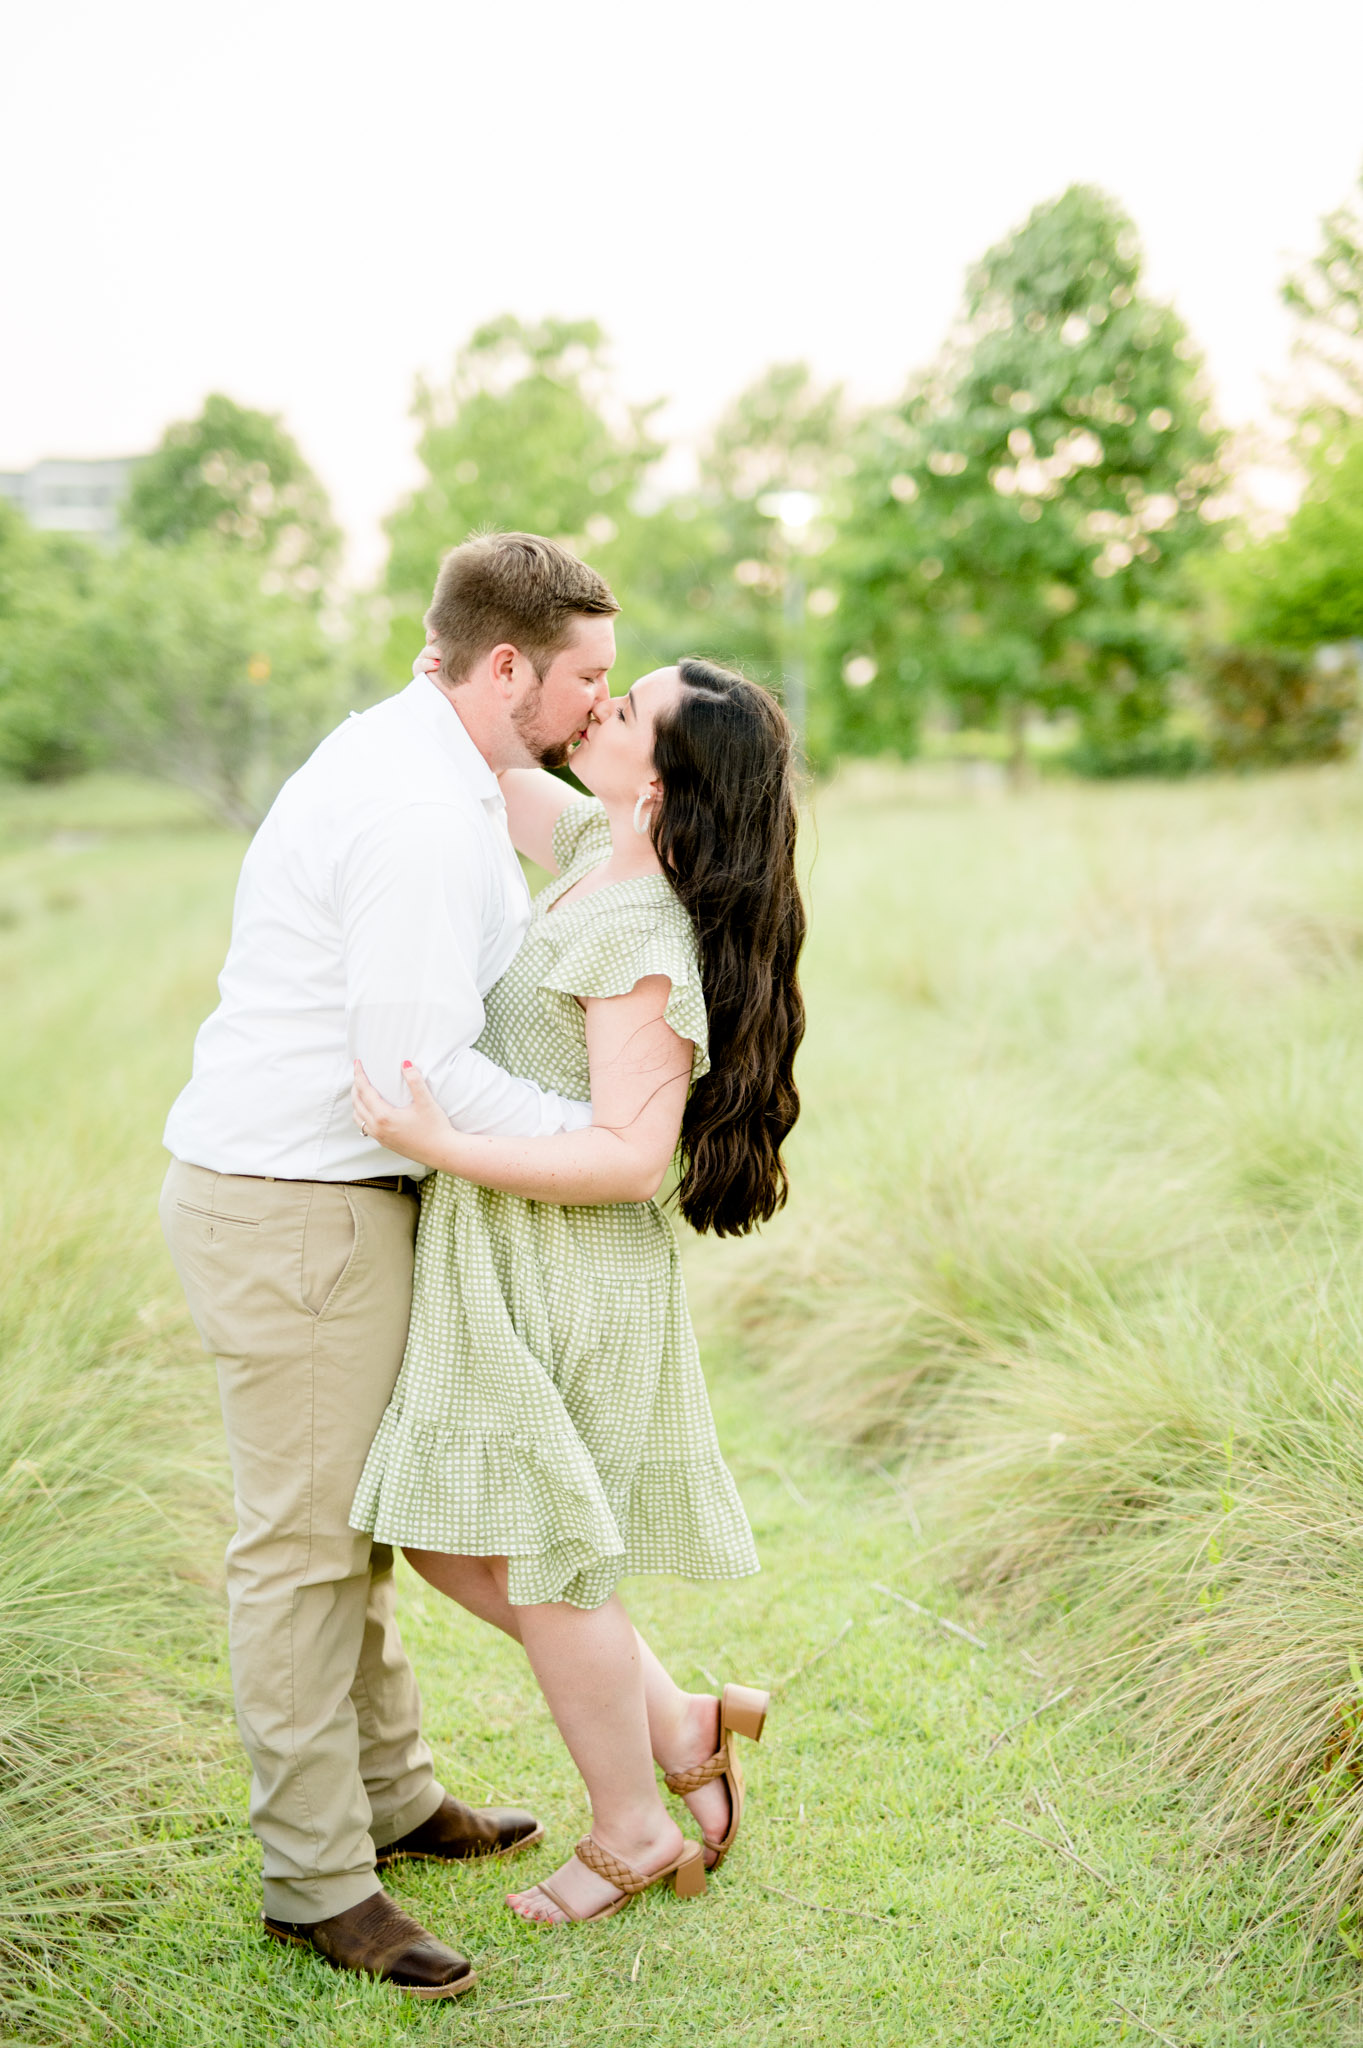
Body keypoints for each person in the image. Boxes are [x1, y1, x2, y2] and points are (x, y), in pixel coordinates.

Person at [158, 533, 622, 1999]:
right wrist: (604, 1135)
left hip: (324, 1200)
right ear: (505, 669)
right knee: (300, 1550)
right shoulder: (420, 815)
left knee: (351, 1529)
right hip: (297, 1205)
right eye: (585, 680)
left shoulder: (427, 758)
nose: (597, 710)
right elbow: (412, 1079)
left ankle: (393, 1796)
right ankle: (313, 1879)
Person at [349, 651, 806, 1925]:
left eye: (625, 708)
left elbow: (626, 1158)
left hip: (566, 1272)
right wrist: (468, 649)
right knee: (451, 1535)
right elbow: (493, 767)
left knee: (548, 1558)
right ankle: (677, 1718)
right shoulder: (593, 848)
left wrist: (436, 1143)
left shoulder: (640, 931)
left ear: (667, 782)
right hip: (505, 1257)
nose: (596, 709)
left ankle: (634, 1827)